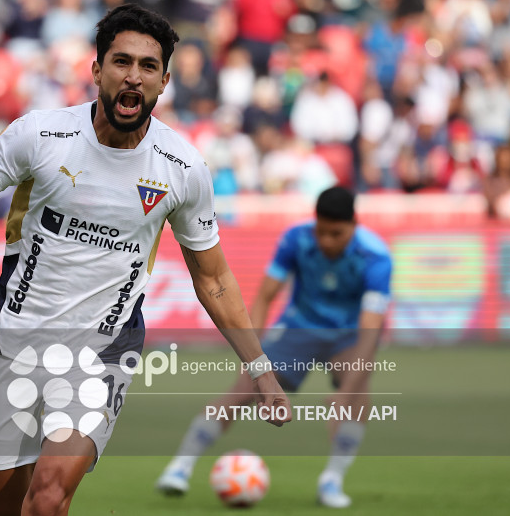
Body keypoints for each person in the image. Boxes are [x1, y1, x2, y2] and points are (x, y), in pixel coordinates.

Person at [0, 4, 291, 516]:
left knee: (47, 497)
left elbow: (213, 278)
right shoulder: (39, 135)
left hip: (103, 352)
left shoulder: (183, 168)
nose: (133, 76)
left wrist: (260, 369)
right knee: (1, 507)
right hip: (17, 340)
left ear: (164, 81)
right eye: (122, 62)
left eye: (148, 66)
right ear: (97, 70)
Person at [156, 186, 392, 509]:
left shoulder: (376, 257)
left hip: (347, 337)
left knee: (357, 396)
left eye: (336, 234)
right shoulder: (296, 238)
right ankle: (180, 466)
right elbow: (266, 296)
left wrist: (345, 392)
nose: (326, 241)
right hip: (298, 328)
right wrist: (253, 355)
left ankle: (332, 480)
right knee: (242, 390)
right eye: (322, 231)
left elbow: (370, 331)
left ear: (354, 224)